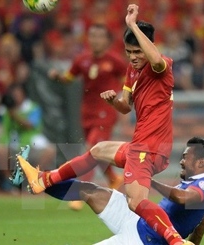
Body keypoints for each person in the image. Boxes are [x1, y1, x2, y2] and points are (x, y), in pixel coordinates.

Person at [17, 4, 187, 245]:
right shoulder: (131, 71)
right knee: (97, 151)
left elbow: (155, 58)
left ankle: (175, 241)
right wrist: (113, 101)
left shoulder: (162, 67)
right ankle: (45, 179)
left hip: (149, 148)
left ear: (148, 46)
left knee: (136, 203)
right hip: (140, 145)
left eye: (138, 51)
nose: (133, 57)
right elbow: (126, 106)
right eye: (129, 52)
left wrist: (131, 25)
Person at [16, 137, 204, 245]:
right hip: (137, 218)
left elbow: (183, 199)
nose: (182, 161)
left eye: (186, 157)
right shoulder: (198, 187)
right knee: (89, 191)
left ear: (201, 162)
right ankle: (40, 182)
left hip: (143, 240)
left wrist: (149, 181)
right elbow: (201, 226)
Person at [48, 24, 127, 210]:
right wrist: (56, 76)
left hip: (105, 112)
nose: (95, 40)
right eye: (92, 35)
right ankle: (113, 179)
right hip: (86, 113)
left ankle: (79, 193)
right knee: (98, 152)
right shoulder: (81, 60)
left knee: (92, 149)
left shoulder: (115, 61)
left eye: (99, 36)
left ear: (107, 40)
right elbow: (68, 78)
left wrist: (124, 103)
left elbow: (128, 84)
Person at [0, 83, 55, 192]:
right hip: (13, 143)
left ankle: (33, 179)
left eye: (18, 94)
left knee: (50, 151)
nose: (15, 97)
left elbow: (30, 124)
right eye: (13, 95)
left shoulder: (32, 107)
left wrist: (14, 114)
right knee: (0, 150)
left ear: (24, 95)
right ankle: (10, 182)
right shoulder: (7, 109)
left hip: (31, 143)